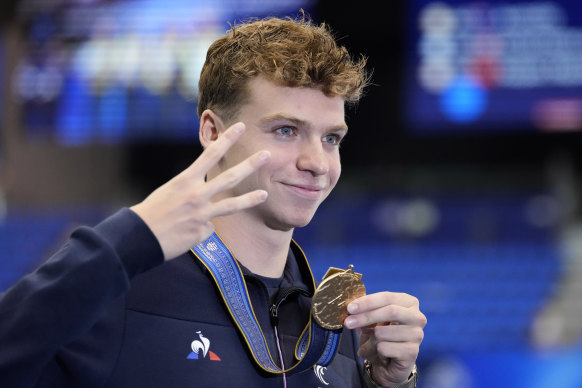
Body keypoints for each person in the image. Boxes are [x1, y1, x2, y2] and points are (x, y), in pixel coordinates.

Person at [0, 14, 426, 388]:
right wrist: (126, 240)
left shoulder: (337, 324)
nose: (317, 162)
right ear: (212, 132)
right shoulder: (122, 287)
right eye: (285, 130)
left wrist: (387, 384)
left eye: (331, 138)